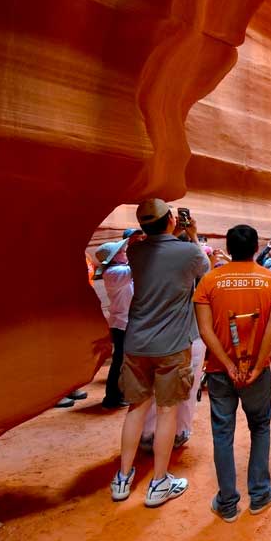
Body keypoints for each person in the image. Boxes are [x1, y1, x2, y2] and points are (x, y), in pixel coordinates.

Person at [109, 199, 210, 507]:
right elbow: (203, 272)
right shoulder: (189, 251)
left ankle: (123, 479)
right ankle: (159, 482)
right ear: (171, 220)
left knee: (136, 408)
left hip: (137, 342)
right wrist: (191, 234)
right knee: (167, 410)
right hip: (172, 343)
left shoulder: (137, 252)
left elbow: (147, 247)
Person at [194, 224, 271, 522]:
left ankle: (227, 503)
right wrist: (257, 367)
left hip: (221, 371)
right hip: (257, 373)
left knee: (223, 433)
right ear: (256, 247)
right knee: (260, 426)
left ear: (229, 249)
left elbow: (205, 330)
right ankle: (259, 494)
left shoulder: (209, 281)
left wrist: (230, 365)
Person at [95, 239, 134, 408]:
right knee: (120, 361)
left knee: (122, 360)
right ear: (113, 258)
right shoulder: (114, 273)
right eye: (122, 252)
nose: (125, 253)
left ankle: (118, 394)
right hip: (121, 324)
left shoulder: (117, 270)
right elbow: (138, 268)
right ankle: (112, 397)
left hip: (123, 322)